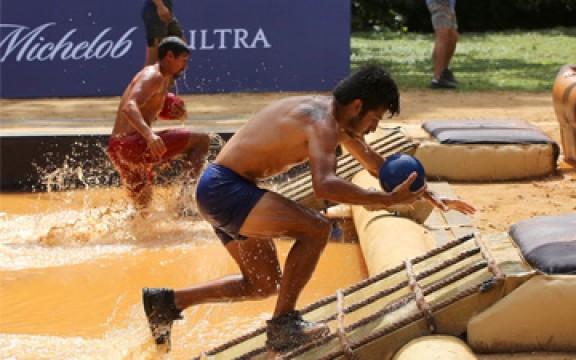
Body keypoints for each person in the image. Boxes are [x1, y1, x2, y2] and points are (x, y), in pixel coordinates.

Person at [141, 65, 476, 352]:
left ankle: (168, 302)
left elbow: (379, 167)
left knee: (263, 285)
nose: (374, 128)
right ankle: (284, 325)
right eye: (374, 118)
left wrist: (428, 195)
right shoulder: (322, 122)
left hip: (224, 190)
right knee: (316, 228)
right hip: (225, 189)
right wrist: (386, 202)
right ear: (357, 105)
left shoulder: (337, 121)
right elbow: (325, 186)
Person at [107, 37, 209, 213]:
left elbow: (144, 109)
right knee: (202, 140)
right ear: (169, 56)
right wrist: (150, 135)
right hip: (134, 144)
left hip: (118, 148)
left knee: (143, 212)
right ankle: (184, 203)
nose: (185, 66)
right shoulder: (153, 76)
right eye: (183, 60)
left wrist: (168, 111)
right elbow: (129, 107)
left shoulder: (156, 78)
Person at [427, 0, 459, 89]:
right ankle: (437, 78)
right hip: (440, 2)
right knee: (443, 36)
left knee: (453, 36)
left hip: (449, 4)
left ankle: (444, 72)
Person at [142, 0, 184, 66]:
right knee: (152, 61)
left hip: (165, 11)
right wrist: (160, 6)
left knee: (182, 48)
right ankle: (146, 76)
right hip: (156, 11)